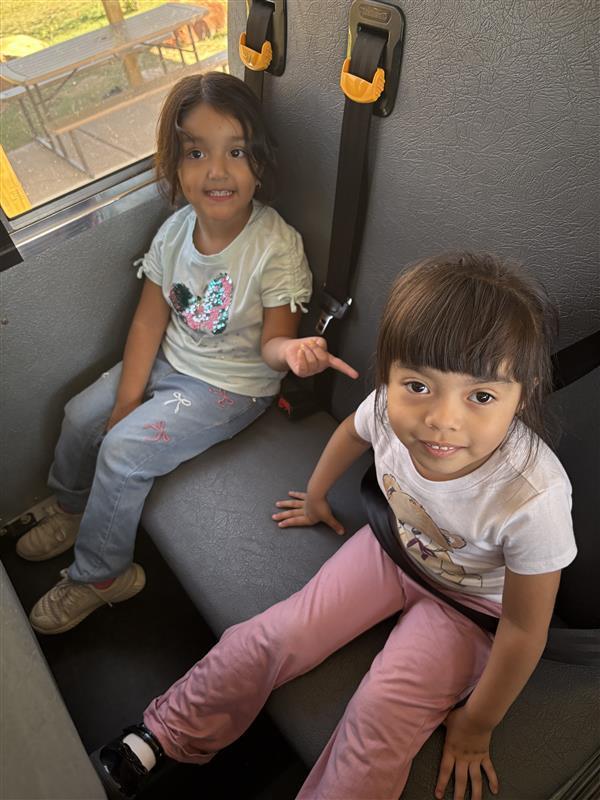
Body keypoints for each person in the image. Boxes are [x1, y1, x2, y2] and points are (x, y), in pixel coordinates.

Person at [97, 253, 576, 800]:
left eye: (482, 397)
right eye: (418, 385)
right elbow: (354, 430)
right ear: (389, 372)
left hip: (469, 609)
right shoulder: (392, 413)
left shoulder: (533, 497)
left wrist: (477, 723)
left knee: (380, 713)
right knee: (273, 634)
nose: (443, 419)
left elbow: (523, 629)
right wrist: (317, 495)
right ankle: (167, 730)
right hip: (392, 551)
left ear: (524, 394)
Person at [19, 72, 357, 635]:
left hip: (229, 386)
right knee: (83, 414)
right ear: (176, 166)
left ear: (260, 163)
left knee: (124, 451)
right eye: (197, 152)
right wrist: (127, 397)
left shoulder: (275, 245)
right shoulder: (174, 232)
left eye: (236, 152)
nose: (217, 171)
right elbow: (150, 319)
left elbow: (273, 343)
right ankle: (74, 508)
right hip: (168, 361)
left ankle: (104, 576)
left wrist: (294, 352)